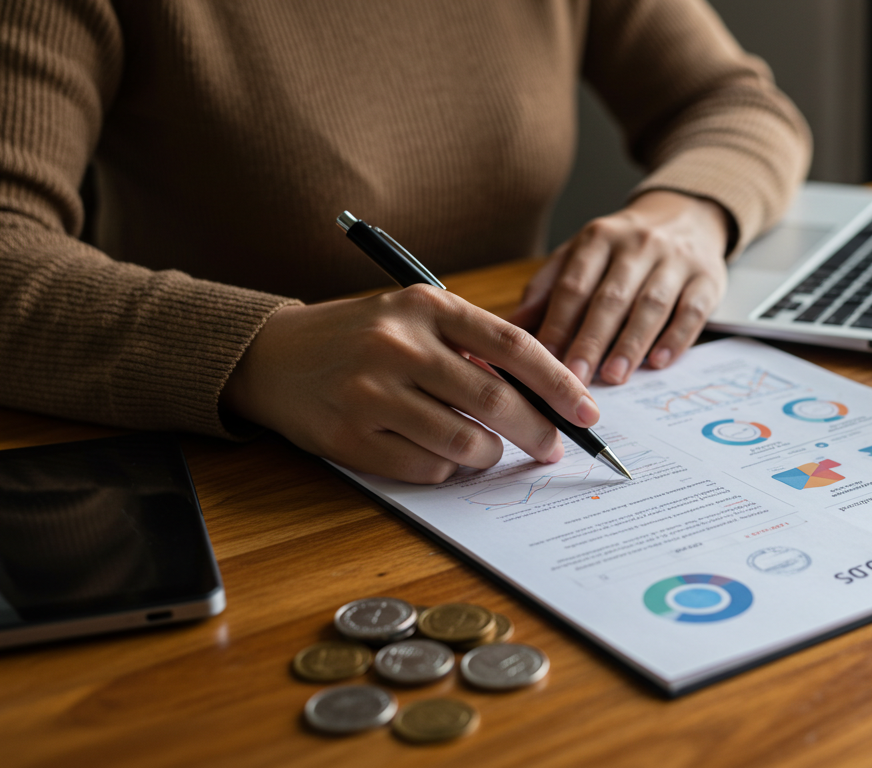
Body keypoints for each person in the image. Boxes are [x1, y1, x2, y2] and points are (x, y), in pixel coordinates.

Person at [0, 0, 810, 483]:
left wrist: (686, 211)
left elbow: (738, 103)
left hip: (472, 433)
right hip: (231, 479)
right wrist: (255, 353)